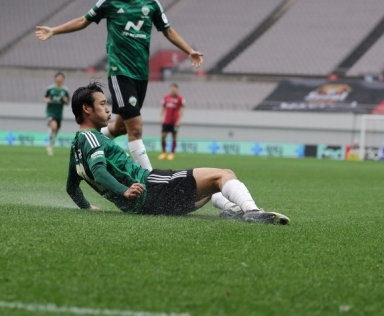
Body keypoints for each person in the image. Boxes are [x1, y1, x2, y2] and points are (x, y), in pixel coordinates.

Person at [36, 0, 204, 171]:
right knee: (136, 129)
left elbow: (167, 30)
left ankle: (86, 143)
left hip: (141, 75)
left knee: (120, 127)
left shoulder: (151, 4)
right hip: (120, 73)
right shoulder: (109, 2)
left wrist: (189, 50)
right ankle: (152, 182)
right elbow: (83, 20)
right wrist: (54, 30)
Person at [64, 81, 290, 225]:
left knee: (211, 188)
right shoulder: (91, 136)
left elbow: (71, 187)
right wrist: (124, 191)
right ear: (86, 109)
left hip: (147, 207)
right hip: (151, 188)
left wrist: (87, 206)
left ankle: (233, 210)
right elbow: (99, 171)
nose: (107, 108)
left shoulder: (76, 148)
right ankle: (252, 212)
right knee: (224, 175)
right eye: (102, 103)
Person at [44, 72, 70, 156]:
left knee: (56, 130)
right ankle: (49, 145)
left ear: (63, 80)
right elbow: (45, 97)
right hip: (50, 112)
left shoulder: (65, 90)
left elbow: (67, 103)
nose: (60, 79)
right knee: (54, 126)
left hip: (59, 114)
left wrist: (65, 100)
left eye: (61, 78)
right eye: (58, 77)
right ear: (55, 78)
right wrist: (46, 100)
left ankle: (51, 144)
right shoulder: (50, 89)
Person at [158, 83, 184, 161]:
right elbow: (163, 107)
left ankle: (172, 153)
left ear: (177, 89)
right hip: (166, 120)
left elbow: (182, 110)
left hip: (175, 121)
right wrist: (160, 117)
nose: (173, 89)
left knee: (174, 136)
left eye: (174, 88)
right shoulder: (166, 97)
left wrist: (179, 120)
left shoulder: (180, 98)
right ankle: (163, 153)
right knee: (163, 136)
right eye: (171, 88)